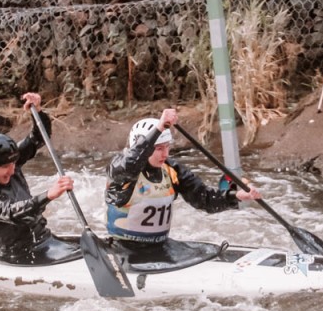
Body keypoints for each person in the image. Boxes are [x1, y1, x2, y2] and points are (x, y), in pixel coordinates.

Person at [105, 108, 262, 257]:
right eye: (159, 148)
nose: (165, 154)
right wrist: (159, 127)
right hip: (124, 250)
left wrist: (236, 196)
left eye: (167, 147)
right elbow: (130, 164)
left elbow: (204, 199)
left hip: (160, 247)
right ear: (139, 147)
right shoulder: (120, 169)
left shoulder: (171, 169)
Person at [0, 92, 79, 264]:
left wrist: (38, 112)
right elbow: (12, 212)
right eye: (5, 167)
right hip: (14, 253)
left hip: (43, 240)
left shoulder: (10, 161)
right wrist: (48, 195)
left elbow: (38, 138)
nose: (12, 170)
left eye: (13, 164)